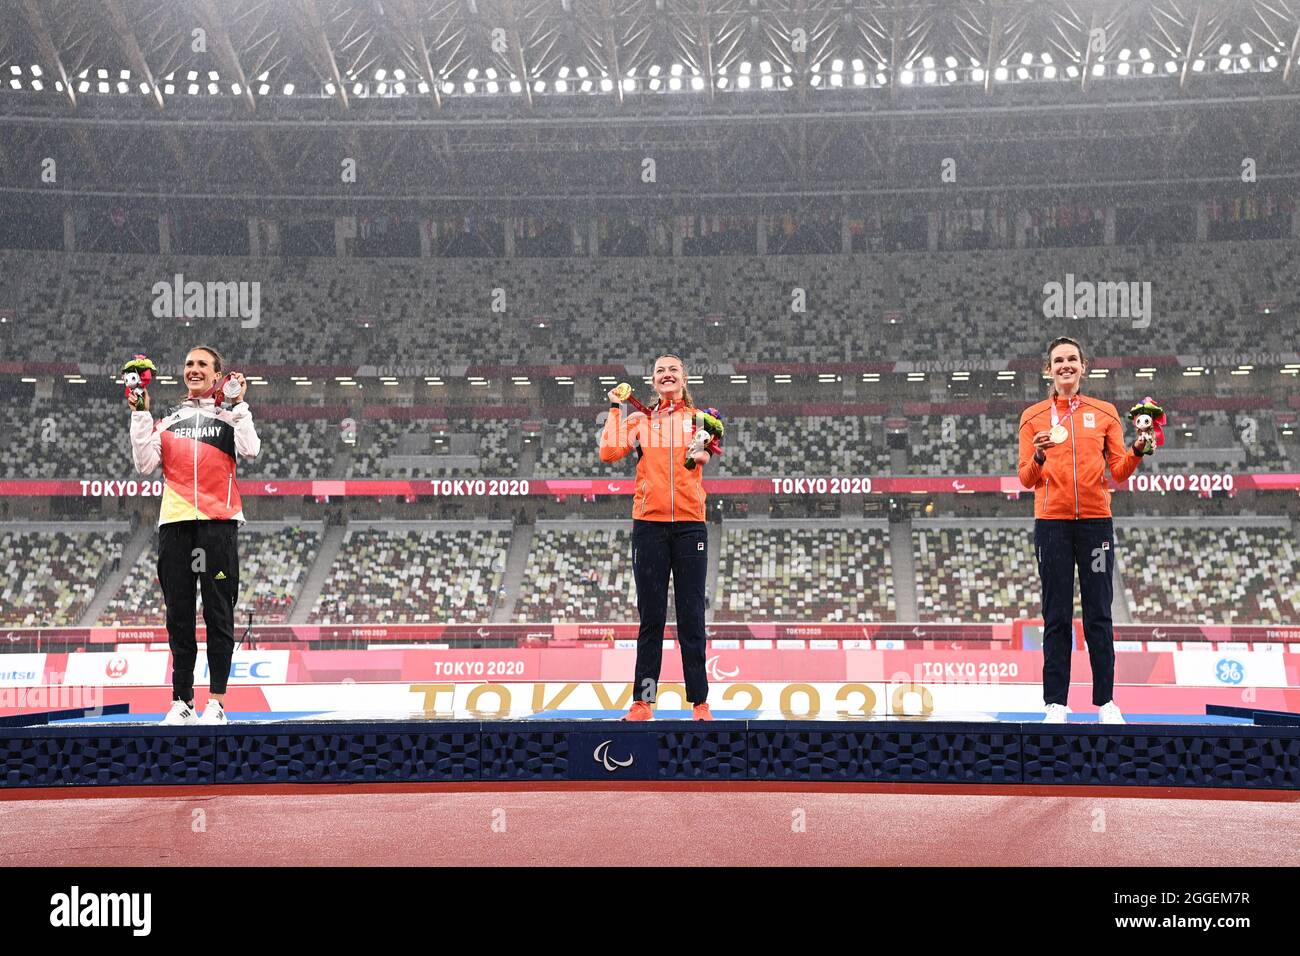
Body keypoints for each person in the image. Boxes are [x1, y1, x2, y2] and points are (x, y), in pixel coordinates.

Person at [1018, 336, 1147, 725]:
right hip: (1052, 525)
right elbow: (1026, 478)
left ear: (1083, 366)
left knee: (1098, 616)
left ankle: (1106, 702)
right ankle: (1055, 703)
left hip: (1095, 524)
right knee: (1055, 615)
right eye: (1058, 360)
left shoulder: (1105, 412)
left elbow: (1119, 470)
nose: (1065, 366)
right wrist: (1040, 454)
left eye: (1072, 359)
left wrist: (1139, 449)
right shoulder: (1032, 417)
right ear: (1049, 369)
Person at [129, 345, 260, 726]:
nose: (195, 369)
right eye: (189, 364)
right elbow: (144, 465)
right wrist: (140, 413)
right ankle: (182, 700)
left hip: (218, 525)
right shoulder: (168, 420)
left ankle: (216, 702)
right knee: (179, 616)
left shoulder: (228, 417)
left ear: (217, 375)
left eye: (203, 364)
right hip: (176, 526)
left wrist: (238, 406)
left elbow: (251, 449)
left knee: (219, 613)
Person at [599, 354, 716, 721]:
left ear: (684, 380)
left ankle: (699, 703)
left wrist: (702, 451)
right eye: (660, 371)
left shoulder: (700, 420)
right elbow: (609, 452)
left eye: (673, 370)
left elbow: (704, 459)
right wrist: (617, 409)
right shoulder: (639, 421)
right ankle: (643, 702)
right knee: (651, 618)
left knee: (692, 617)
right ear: (652, 382)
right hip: (649, 525)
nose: (667, 375)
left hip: (690, 526)